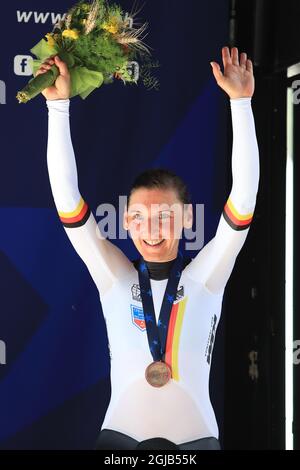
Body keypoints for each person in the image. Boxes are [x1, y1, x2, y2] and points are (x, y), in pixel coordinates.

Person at [36, 46, 259, 450]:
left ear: (188, 219)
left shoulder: (205, 278)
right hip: (118, 440)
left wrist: (241, 104)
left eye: (165, 217)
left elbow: (243, 199)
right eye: (138, 217)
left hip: (196, 442)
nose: (151, 230)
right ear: (125, 220)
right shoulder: (114, 276)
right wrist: (58, 109)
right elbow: (67, 198)